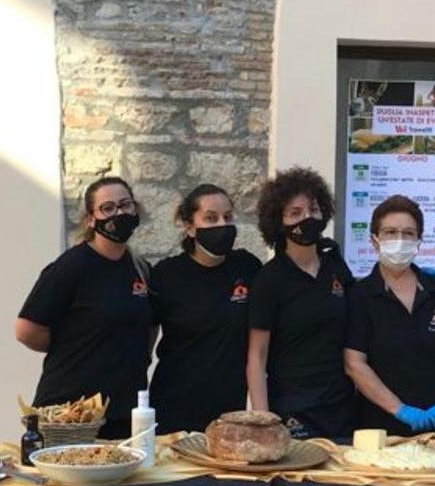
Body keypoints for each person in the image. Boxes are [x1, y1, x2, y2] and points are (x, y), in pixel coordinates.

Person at [15, 176, 154, 439]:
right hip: (72, 411)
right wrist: (70, 343)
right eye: (108, 208)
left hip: (124, 409)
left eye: (125, 205)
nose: (119, 213)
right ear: (91, 219)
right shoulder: (71, 267)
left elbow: (149, 324)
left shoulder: (141, 269)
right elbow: (26, 330)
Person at [344, 195, 435, 437]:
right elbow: (354, 363)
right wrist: (400, 410)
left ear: (419, 241)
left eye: (408, 233)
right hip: (381, 427)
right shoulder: (361, 296)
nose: (399, 240)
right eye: (390, 232)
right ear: (375, 241)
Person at [247, 167, 357, 439]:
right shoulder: (269, 279)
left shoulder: (334, 264)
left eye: (313, 209)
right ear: (278, 221)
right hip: (293, 408)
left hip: (341, 406)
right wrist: (263, 421)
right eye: (295, 213)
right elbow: (257, 357)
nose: (307, 217)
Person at [148, 184, 263, 433]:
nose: (222, 224)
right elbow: (147, 335)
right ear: (190, 227)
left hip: (229, 411)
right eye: (211, 218)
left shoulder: (247, 267)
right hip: (173, 407)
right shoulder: (166, 274)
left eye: (228, 217)